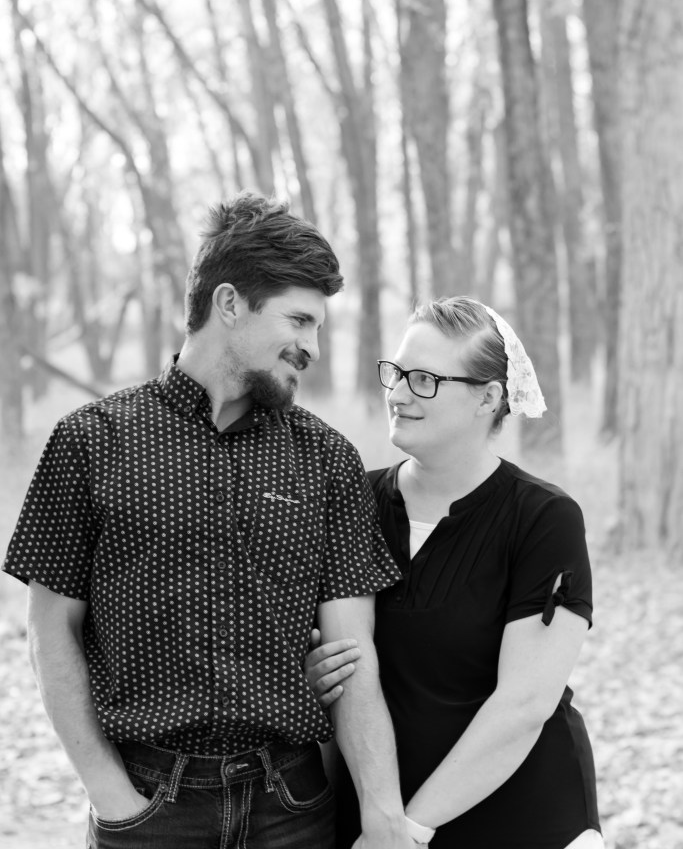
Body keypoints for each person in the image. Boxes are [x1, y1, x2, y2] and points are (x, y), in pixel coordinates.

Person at [2, 192, 415, 849]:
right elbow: (51, 632)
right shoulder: (90, 441)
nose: (311, 347)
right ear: (229, 304)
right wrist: (111, 795)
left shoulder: (327, 458)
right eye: (298, 320)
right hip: (147, 805)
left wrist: (382, 814)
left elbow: (351, 659)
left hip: (293, 806)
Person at [306, 296, 603, 849]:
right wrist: (310, 676)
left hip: (521, 821)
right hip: (373, 816)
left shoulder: (543, 518)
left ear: (488, 398)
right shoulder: (353, 501)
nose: (397, 394)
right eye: (395, 372)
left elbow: (524, 705)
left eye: (424, 380)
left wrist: (407, 831)